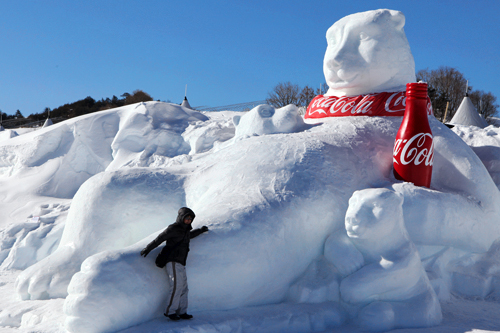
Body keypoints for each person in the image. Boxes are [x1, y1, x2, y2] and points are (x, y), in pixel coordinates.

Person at [140, 207, 208, 321]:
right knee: (176, 287)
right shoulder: (173, 228)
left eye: (190, 219)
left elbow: (189, 236)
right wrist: (148, 248)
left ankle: (182, 312)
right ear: (182, 217)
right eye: (187, 218)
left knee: (184, 288)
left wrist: (200, 231)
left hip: (181, 262)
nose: (188, 220)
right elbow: (159, 238)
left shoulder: (185, 231)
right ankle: (170, 311)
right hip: (172, 261)